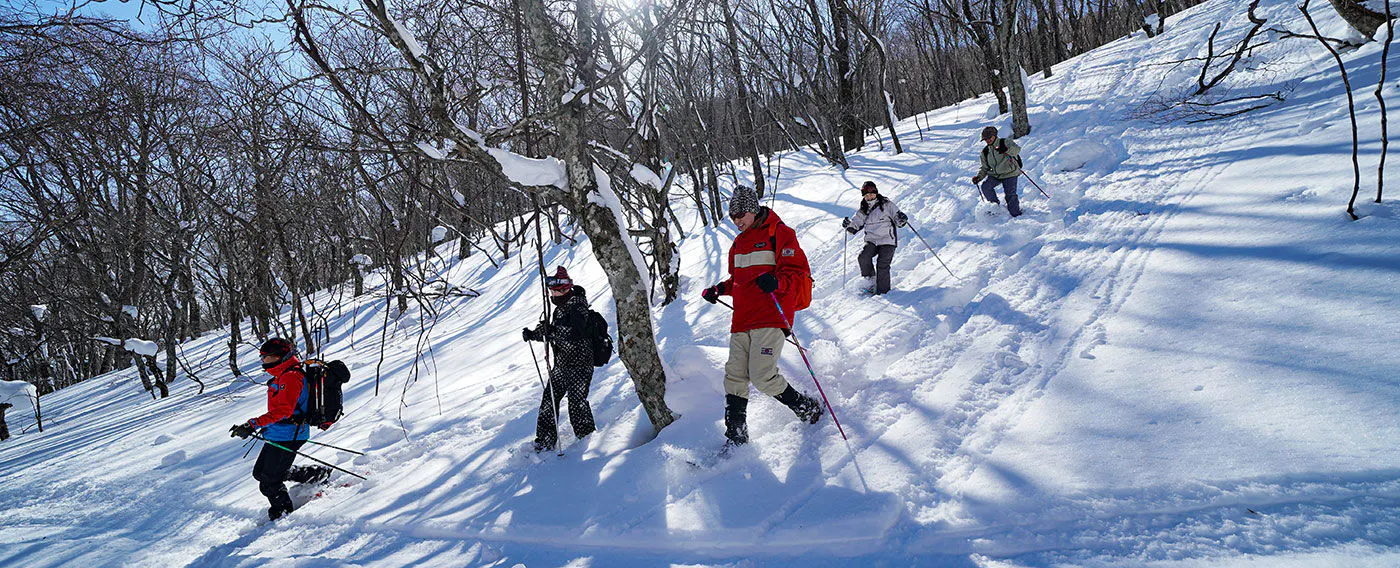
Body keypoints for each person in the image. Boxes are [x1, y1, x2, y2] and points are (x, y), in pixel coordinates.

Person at [700, 185, 823, 447]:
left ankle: (807, 407)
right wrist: (719, 289)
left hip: (771, 315)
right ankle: (736, 437)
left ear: (753, 210)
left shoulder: (780, 233)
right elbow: (738, 281)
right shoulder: (738, 244)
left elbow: (797, 273)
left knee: (762, 376)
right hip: (742, 319)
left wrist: (776, 282)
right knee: (734, 376)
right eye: (733, 216)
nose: (737, 220)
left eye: (741, 214)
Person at [229, 338, 331, 521]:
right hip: (279, 433)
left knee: (269, 481)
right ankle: (315, 474)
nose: (262, 360)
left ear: (277, 356)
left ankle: (282, 515)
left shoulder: (290, 376)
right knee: (261, 473)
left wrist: (253, 424)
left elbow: (284, 411)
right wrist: (261, 425)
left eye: (265, 356)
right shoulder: (282, 374)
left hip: (290, 434)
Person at [522, 266, 597, 453]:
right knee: (549, 400)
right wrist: (533, 334)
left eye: (556, 291)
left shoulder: (578, 305)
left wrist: (552, 331)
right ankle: (545, 440)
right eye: (552, 291)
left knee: (576, 402)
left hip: (580, 364)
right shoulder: (560, 308)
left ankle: (586, 438)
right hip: (562, 364)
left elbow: (576, 332)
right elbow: (552, 332)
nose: (553, 294)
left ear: (566, 289)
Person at [842, 180, 908, 295]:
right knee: (863, 257)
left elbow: (898, 220)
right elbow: (855, 225)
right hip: (872, 241)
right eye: (866, 195)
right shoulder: (863, 209)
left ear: (876, 192)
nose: (869, 196)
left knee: (882, 264)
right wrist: (848, 225)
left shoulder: (887, 205)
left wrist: (901, 219)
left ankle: (883, 292)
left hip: (887, 240)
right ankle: (871, 284)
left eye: (871, 193)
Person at [972, 126, 1024, 218]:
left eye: (989, 138)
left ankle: (1016, 215)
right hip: (996, 175)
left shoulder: (1005, 142)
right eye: (985, 139)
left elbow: (1017, 150)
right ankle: (995, 207)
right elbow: (985, 167)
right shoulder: (985, 151)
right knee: (986, 187)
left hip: (1010, 173)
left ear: (995, 136)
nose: (987, 140)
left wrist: (1006, 149)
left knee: (1010, 195)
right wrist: (979, 177)